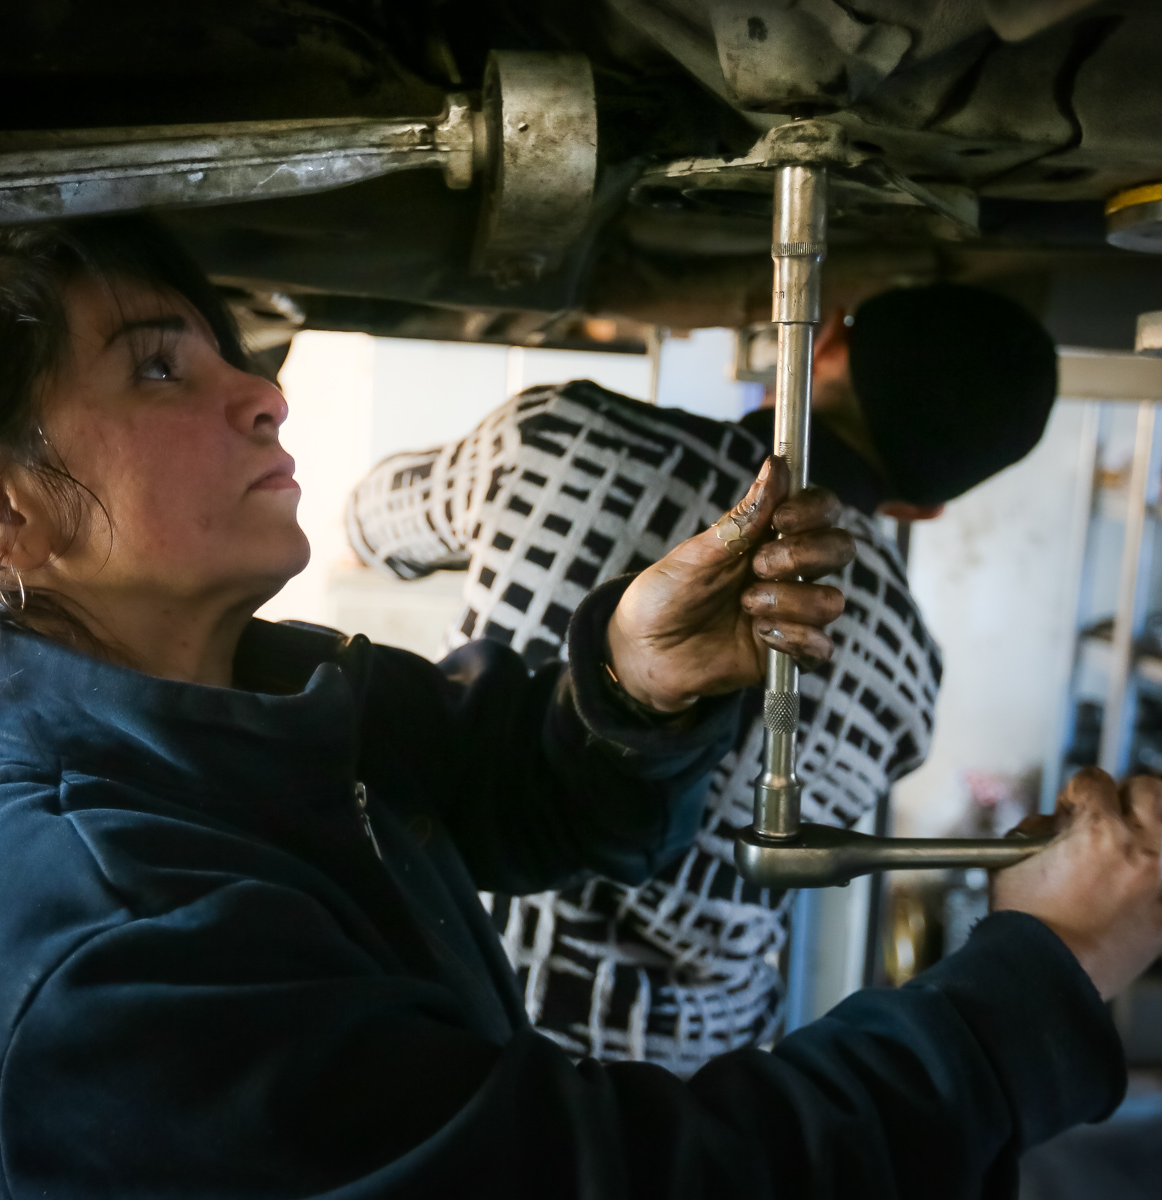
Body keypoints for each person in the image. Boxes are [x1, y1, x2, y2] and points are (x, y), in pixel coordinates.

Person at [0, 219, 1162, 1198]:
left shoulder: (263, 715)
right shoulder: (113, 961)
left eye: (225, 350)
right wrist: (1053, 963)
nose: (258, 388)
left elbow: (500, 793)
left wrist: (631, 678)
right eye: (161, 369)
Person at [346, 284, 1062, 1069]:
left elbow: (368, 525)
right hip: (677, 1077)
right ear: (927, 509)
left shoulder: (560, 434)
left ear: (823, 345)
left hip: (444, 993)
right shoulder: (909, 678)